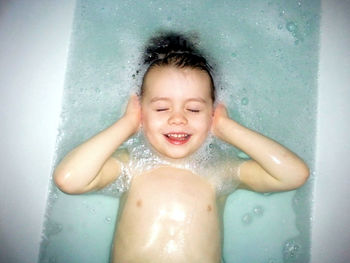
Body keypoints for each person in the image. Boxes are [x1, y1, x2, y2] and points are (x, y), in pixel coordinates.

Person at [53, 31, 309, 263]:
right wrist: (127, 123)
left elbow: (293, 175)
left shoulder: (221, 169)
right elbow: (69, 180)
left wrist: (227, 128)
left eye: (194, 109)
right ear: (141, 111)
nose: (178, 119)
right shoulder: (129, 165)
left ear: (213, 113)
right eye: (162, 108)